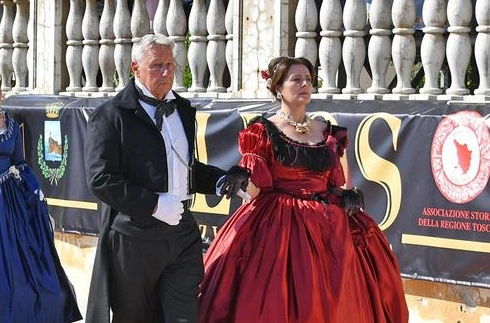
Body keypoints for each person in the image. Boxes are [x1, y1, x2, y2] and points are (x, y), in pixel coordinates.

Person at [199, 56, 408, 323]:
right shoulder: (263, 131)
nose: (304, 85)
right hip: (280, 226)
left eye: (308, 80)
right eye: (296, 79)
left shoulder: (327, 132)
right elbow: (255, 191)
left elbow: (333, 185)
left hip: (327, 226)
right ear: (278, 88)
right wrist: (242, 175)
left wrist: (346, 195)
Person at [84, 34, 246, 323]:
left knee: (183, 316)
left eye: (170, 65)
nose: (166, 73)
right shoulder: (110, 114)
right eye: (157, 65)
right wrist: (155, 204)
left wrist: (220, 180)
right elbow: (101, 179)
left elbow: (183, 167)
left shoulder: (182, 109)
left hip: (182, 233)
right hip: (135, 236)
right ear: (135, 68)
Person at [0, 72, 81, 323]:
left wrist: (34, 189)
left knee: (21, 266)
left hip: (9, 201)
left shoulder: (10, 124)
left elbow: (18, 162)